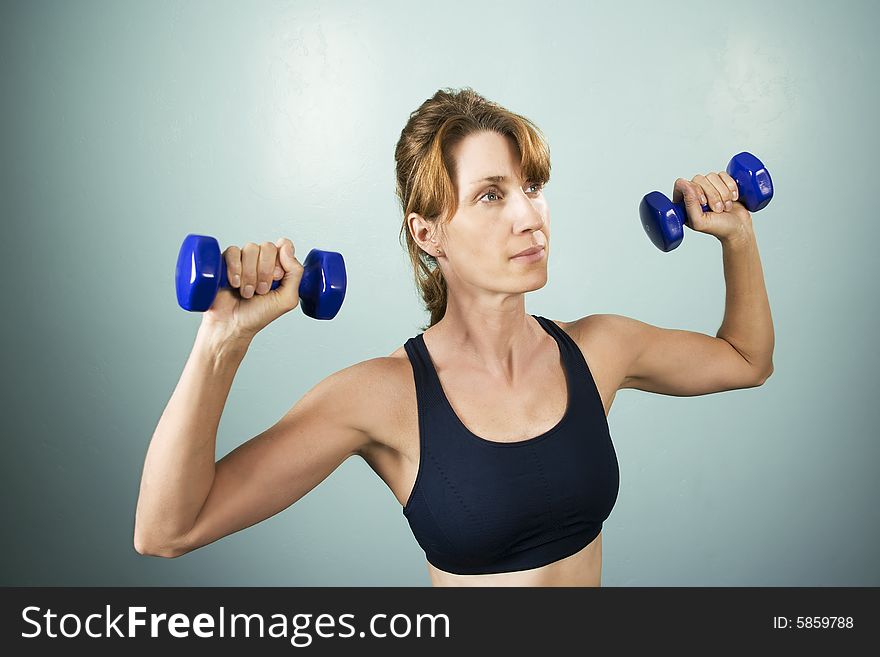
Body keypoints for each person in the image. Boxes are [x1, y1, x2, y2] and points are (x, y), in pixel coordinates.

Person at [134, 87, 775, 587]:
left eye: (531, 187)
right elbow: (168, 529)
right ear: (428, 234)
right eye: (491, 196)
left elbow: (747, 360)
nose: (530, 217)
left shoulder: (599, 349)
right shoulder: (381, 397)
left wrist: (738, 235)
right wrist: (223, 340)